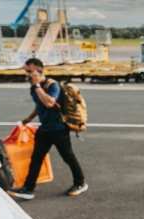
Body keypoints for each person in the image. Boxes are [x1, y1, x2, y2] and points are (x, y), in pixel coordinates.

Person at [8, 58, 88, 201]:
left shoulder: (53, 85)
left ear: (39, 70)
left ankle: (80, 183)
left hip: (58, 129)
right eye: (26, 71)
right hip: (45, 129)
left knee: (68, 157)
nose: (27, 74)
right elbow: (40, 105)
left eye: (29, 71)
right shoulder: (34, 87)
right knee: (36, 158)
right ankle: (28, 189)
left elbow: (50, 102)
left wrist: (37, 86)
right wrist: (29, 118)